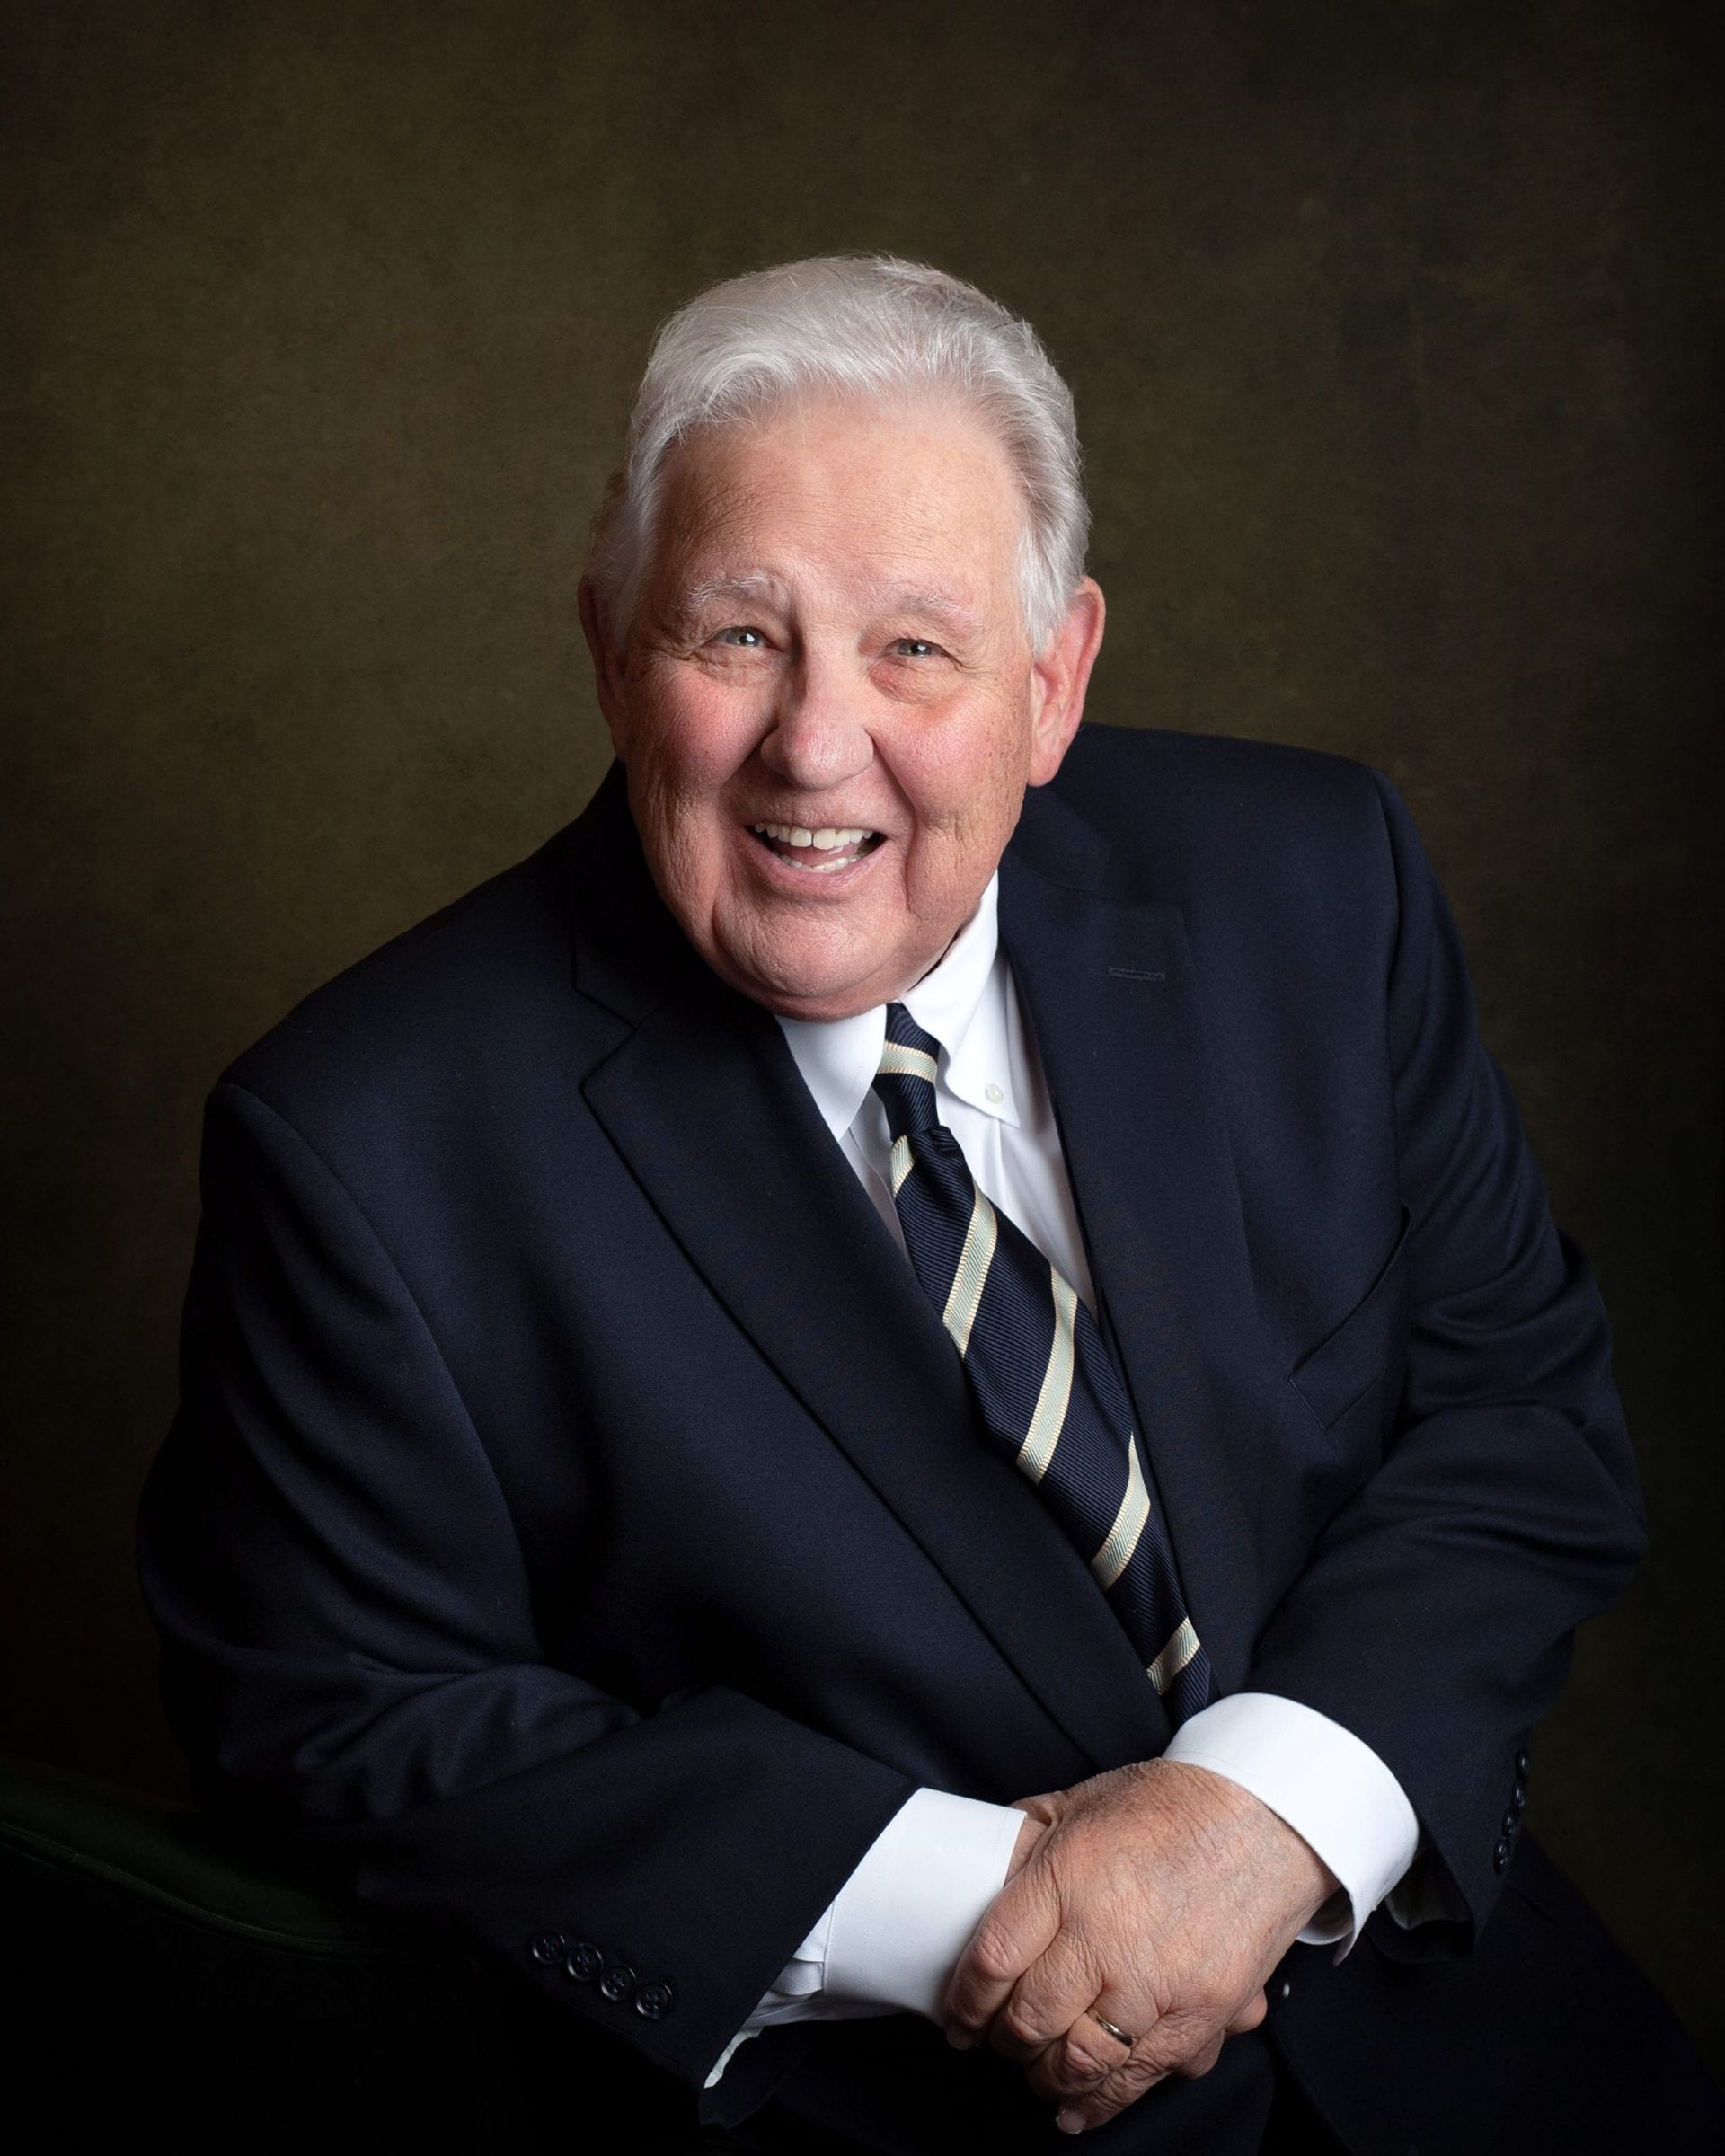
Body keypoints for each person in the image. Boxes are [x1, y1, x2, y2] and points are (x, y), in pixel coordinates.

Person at [137, 256, 1715, 2152]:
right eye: (737, 636)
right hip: (887, 2115)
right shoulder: (362, 1137)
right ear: (607, 648)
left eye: (916, 648)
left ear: (1055, 683)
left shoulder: (1316, 884)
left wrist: (1268, 1817)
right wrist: (1010, 1912)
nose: (816, 746)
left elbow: (1514, 1412)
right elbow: (345, 1721)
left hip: (1481, 2049)